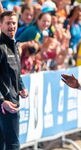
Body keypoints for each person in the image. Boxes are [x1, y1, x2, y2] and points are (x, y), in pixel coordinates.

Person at [0, 11, 29, 150]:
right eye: (7, 23)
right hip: (6, 105)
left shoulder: (15, 45)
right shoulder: (1, 47)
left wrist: (22, 87)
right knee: (13, 144)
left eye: (13, 23)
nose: (11, 26)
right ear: (1, 25)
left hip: (11, 101)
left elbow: (16, 72)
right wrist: (2, 101)